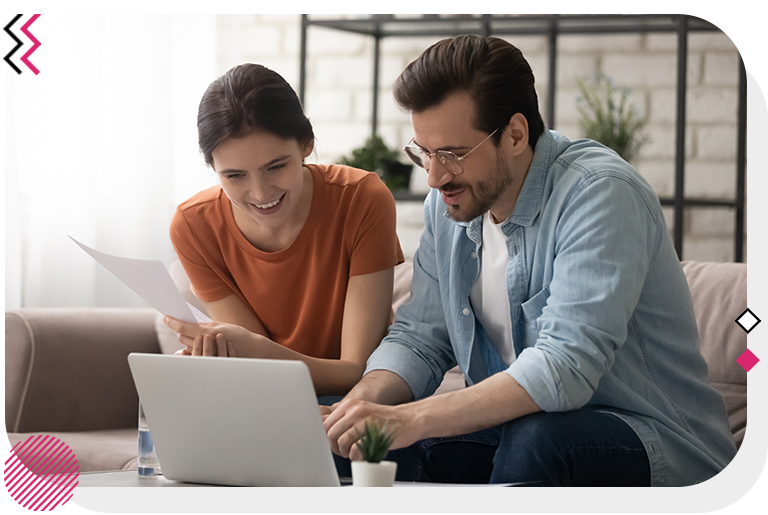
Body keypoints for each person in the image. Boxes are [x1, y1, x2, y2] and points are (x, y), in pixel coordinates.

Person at [322, 35, 737, 486]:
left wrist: (414, 418)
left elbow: (564, 367)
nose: (436, 176)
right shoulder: (449, 208)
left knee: (536, 438)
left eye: (454, 154)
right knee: (351, 448)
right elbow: (421, 336)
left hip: (655, 442)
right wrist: (359, 409)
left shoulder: (600, 194)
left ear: (515, 135)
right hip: (517, 433)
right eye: (424, 152)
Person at [163, 63, 404, 397]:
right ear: (212, 167)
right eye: (234, 176)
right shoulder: (193, 226)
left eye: (275, 167)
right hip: (266, 398)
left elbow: (357, 371)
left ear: (306, 143)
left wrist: (253, 354)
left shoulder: (362, 199)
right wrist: (223, 356)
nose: (261, 194)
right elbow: (255, 366)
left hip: (356, 403)